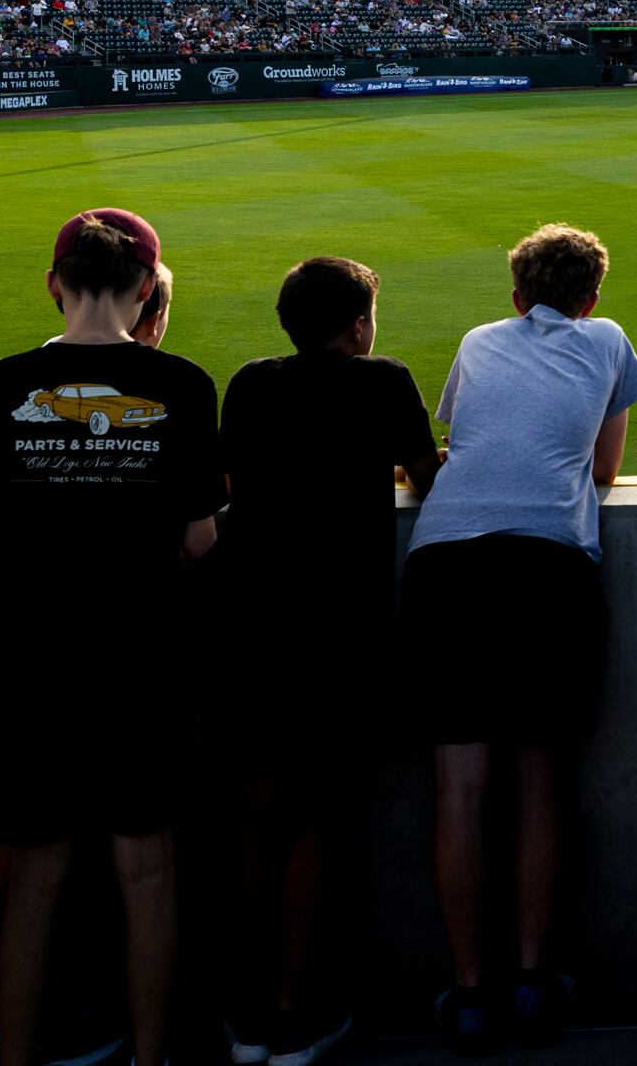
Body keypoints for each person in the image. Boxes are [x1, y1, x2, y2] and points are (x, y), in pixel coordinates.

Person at [0, 210, 225, 1066]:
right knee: (148, 869)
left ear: (55, 284)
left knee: (35, 874)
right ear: (148, 287)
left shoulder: (2, 381)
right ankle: (150, 1058)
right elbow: (201, 540)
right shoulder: (183, 383)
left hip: (30, 662)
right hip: (145, 662)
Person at [400, 224, 637, 1050]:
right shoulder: (607, 340)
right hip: (548, 565)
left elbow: (464, 442)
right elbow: (606, 471)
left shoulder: (479, 340)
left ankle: (470, 994)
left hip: (444, 564)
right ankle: (536, 983)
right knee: (541, 780)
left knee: (460, 786)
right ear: (593, 298)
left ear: (516, 297)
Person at [218, 258, 445, 1066]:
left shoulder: (250, 382)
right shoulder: (385, 380)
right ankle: (292, 1010)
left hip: (250, 623)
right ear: (357, 326)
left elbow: (233, 482)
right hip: (341, 631)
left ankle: (247, 1011)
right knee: (317, 816)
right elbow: (429, 477)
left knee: (256, 813)